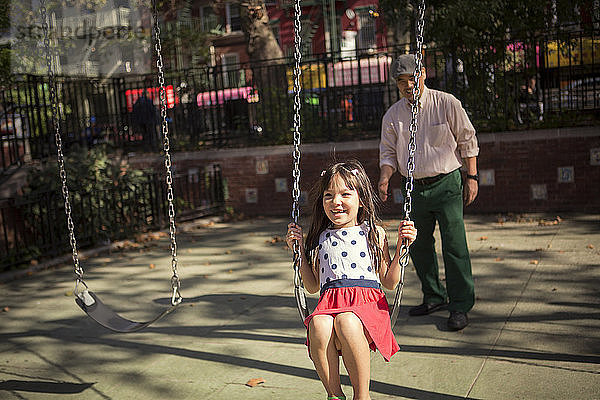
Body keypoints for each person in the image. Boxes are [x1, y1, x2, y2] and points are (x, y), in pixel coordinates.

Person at [286, 160, 417, 400]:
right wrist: (299, 253)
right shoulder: (320, 238)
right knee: (317, 324)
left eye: (345, 194)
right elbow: (313, 286)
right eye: (328, 195)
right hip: (329, 306)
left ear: (361, 199)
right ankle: (334, 394)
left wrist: (401, 247)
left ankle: (362, 396)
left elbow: (389, 281)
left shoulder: (373, 232)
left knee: (347, 321)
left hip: (365, 308)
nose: (336, 202)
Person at [378, 53, 479, 331]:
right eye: (401, 81)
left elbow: (468, 140)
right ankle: (434, 296)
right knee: (418, 245)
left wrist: (472, 177)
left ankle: (460, 304)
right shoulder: (393, 115)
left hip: (446, 184)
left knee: (454, 244)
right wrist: (385, 178)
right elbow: (387, 154)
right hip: (412, 189)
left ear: (423, 73)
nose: (408, 85)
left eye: (412, 78)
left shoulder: (446, 103)